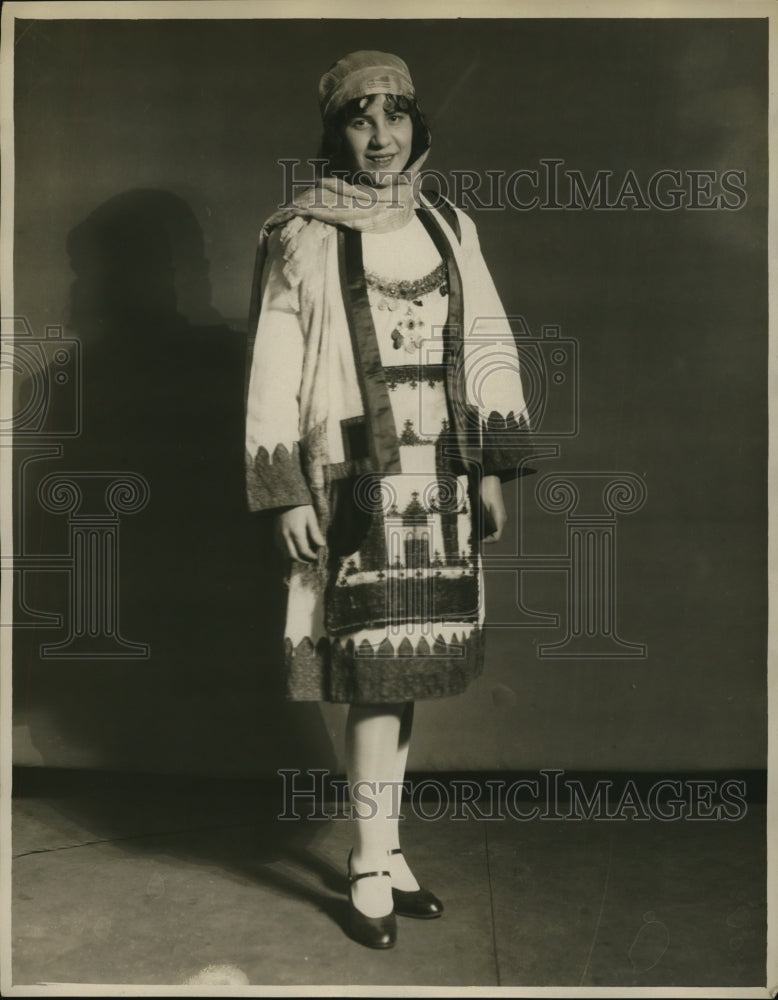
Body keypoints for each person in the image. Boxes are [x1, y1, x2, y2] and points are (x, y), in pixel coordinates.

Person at [244, 50, 535, 949]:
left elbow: (487, 336)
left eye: (396, 116)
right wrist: (284, 486)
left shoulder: (450, 225)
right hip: (352, 481)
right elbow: (274, 363)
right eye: (361, 120)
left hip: (438, 481)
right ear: (337, 132)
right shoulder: (305, 234)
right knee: (371, 672)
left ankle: (388, 845)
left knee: (406, 669)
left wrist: (488, 463)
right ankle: (368, 862)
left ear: (416, 125)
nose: (381, 137)